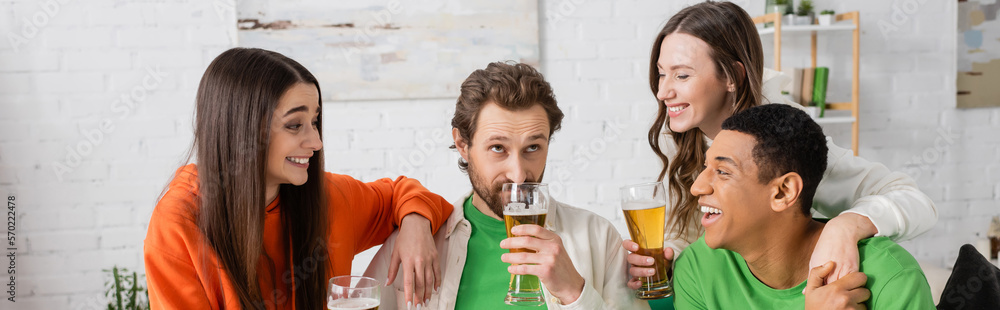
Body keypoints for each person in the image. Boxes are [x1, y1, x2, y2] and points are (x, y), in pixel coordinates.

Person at [626, 1, 938, 301]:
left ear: (732, 77)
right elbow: (695, 235)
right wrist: (670, 257)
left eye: (682, 75)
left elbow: (914, 201)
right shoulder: (682, 133)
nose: (662, 91)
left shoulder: (784, 143)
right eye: (661, 72)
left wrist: (846, 226)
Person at [143, 48, 453, 310]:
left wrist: (414, 223)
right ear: (242, 132)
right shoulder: (178, 226)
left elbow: (402, 193)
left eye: (315, 121)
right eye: (294, 125)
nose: (316, 142)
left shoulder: (328, 197)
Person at [364, 62, 647, 309]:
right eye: (498, 148)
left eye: (533, 147)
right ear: (463, 145)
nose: (519, 175)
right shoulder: (414, 243)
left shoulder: (598, 238)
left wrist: (575, 293)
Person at [672, 103, 935, 309]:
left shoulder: (889, 276)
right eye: (706, 167)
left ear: (783, 192)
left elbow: (913, 200)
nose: (698, 187)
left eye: (723, 172)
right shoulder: (698, 268)